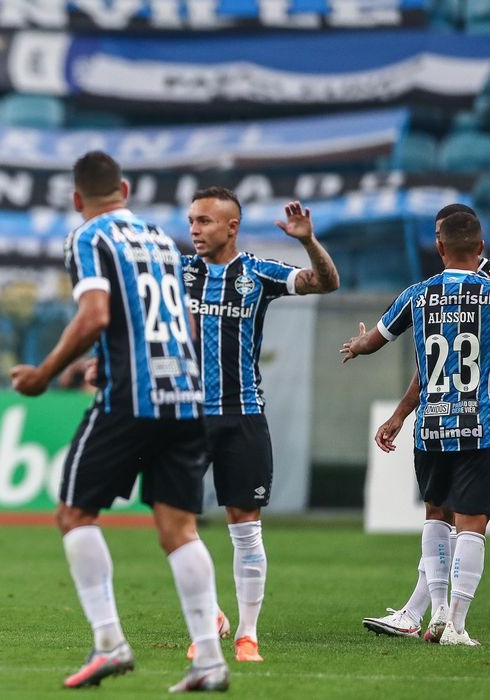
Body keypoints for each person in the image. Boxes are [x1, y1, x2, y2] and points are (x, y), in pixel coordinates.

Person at [10, 151, 229, 692]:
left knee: (74, 514)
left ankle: (109, 643)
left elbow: (96, 315)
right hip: (185, 393)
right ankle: (208, 659)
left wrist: (43, 373)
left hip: (130, 398)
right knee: (179, 530)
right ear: (125, 189)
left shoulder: (88, 237)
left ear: (77, 199)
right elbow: (169, 320)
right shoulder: (162, 240)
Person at [181, 188, 339, 663]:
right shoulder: (177, 274)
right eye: (191, 220)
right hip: (185, 417)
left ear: (231, 227)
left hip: (242, 415)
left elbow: (325, 283)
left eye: (205, 221)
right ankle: (209, 615)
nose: (195, 229)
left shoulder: (257, 272)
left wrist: (308, 242)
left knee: (245, 526)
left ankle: (247, 634)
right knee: (177, 523)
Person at [341, 211, 489, 647]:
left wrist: (358, 343)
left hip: (430, 429)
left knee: (435, 517)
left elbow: (372, 343)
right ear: (480, 250)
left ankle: (436, 611)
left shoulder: (417, 295)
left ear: (439, 248)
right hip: (477, 426)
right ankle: (455, 625)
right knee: (472, 524)